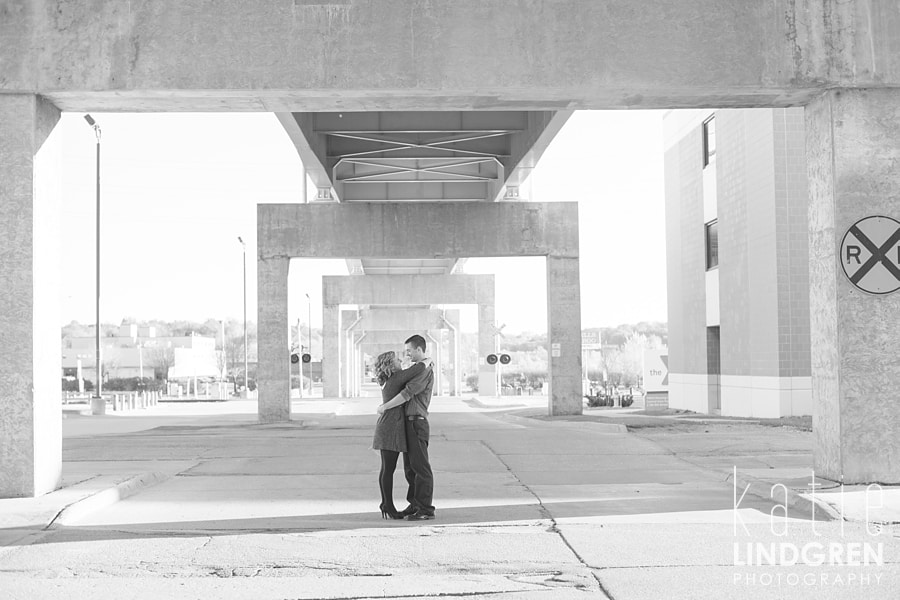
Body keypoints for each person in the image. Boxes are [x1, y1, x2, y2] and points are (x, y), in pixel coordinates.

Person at [377, 334, 435, 521]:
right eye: (401, 355)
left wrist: (384, 406)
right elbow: (412, 372)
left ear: (419, 349)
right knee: (409, 468)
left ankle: (425, 508)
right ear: (390, 364)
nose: (406, 356)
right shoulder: (404, 374)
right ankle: (414, 503)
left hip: (416, 422)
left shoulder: (424, 370)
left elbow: (408, 393)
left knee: (420, 468)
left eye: (409, 351)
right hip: (400, 425)